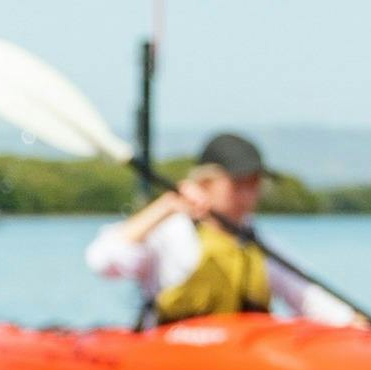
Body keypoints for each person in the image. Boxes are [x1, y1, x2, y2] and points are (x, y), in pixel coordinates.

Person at [86, 132, 354, 323]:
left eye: (254, 184)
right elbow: (104, 262)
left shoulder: (258, 241)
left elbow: (308, 297)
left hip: (238, 361)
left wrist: (355, 324)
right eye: (238, 184)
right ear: (205, 183)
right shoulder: (174, 231)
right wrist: (166, 206)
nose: (249, 196)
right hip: (174, 360)